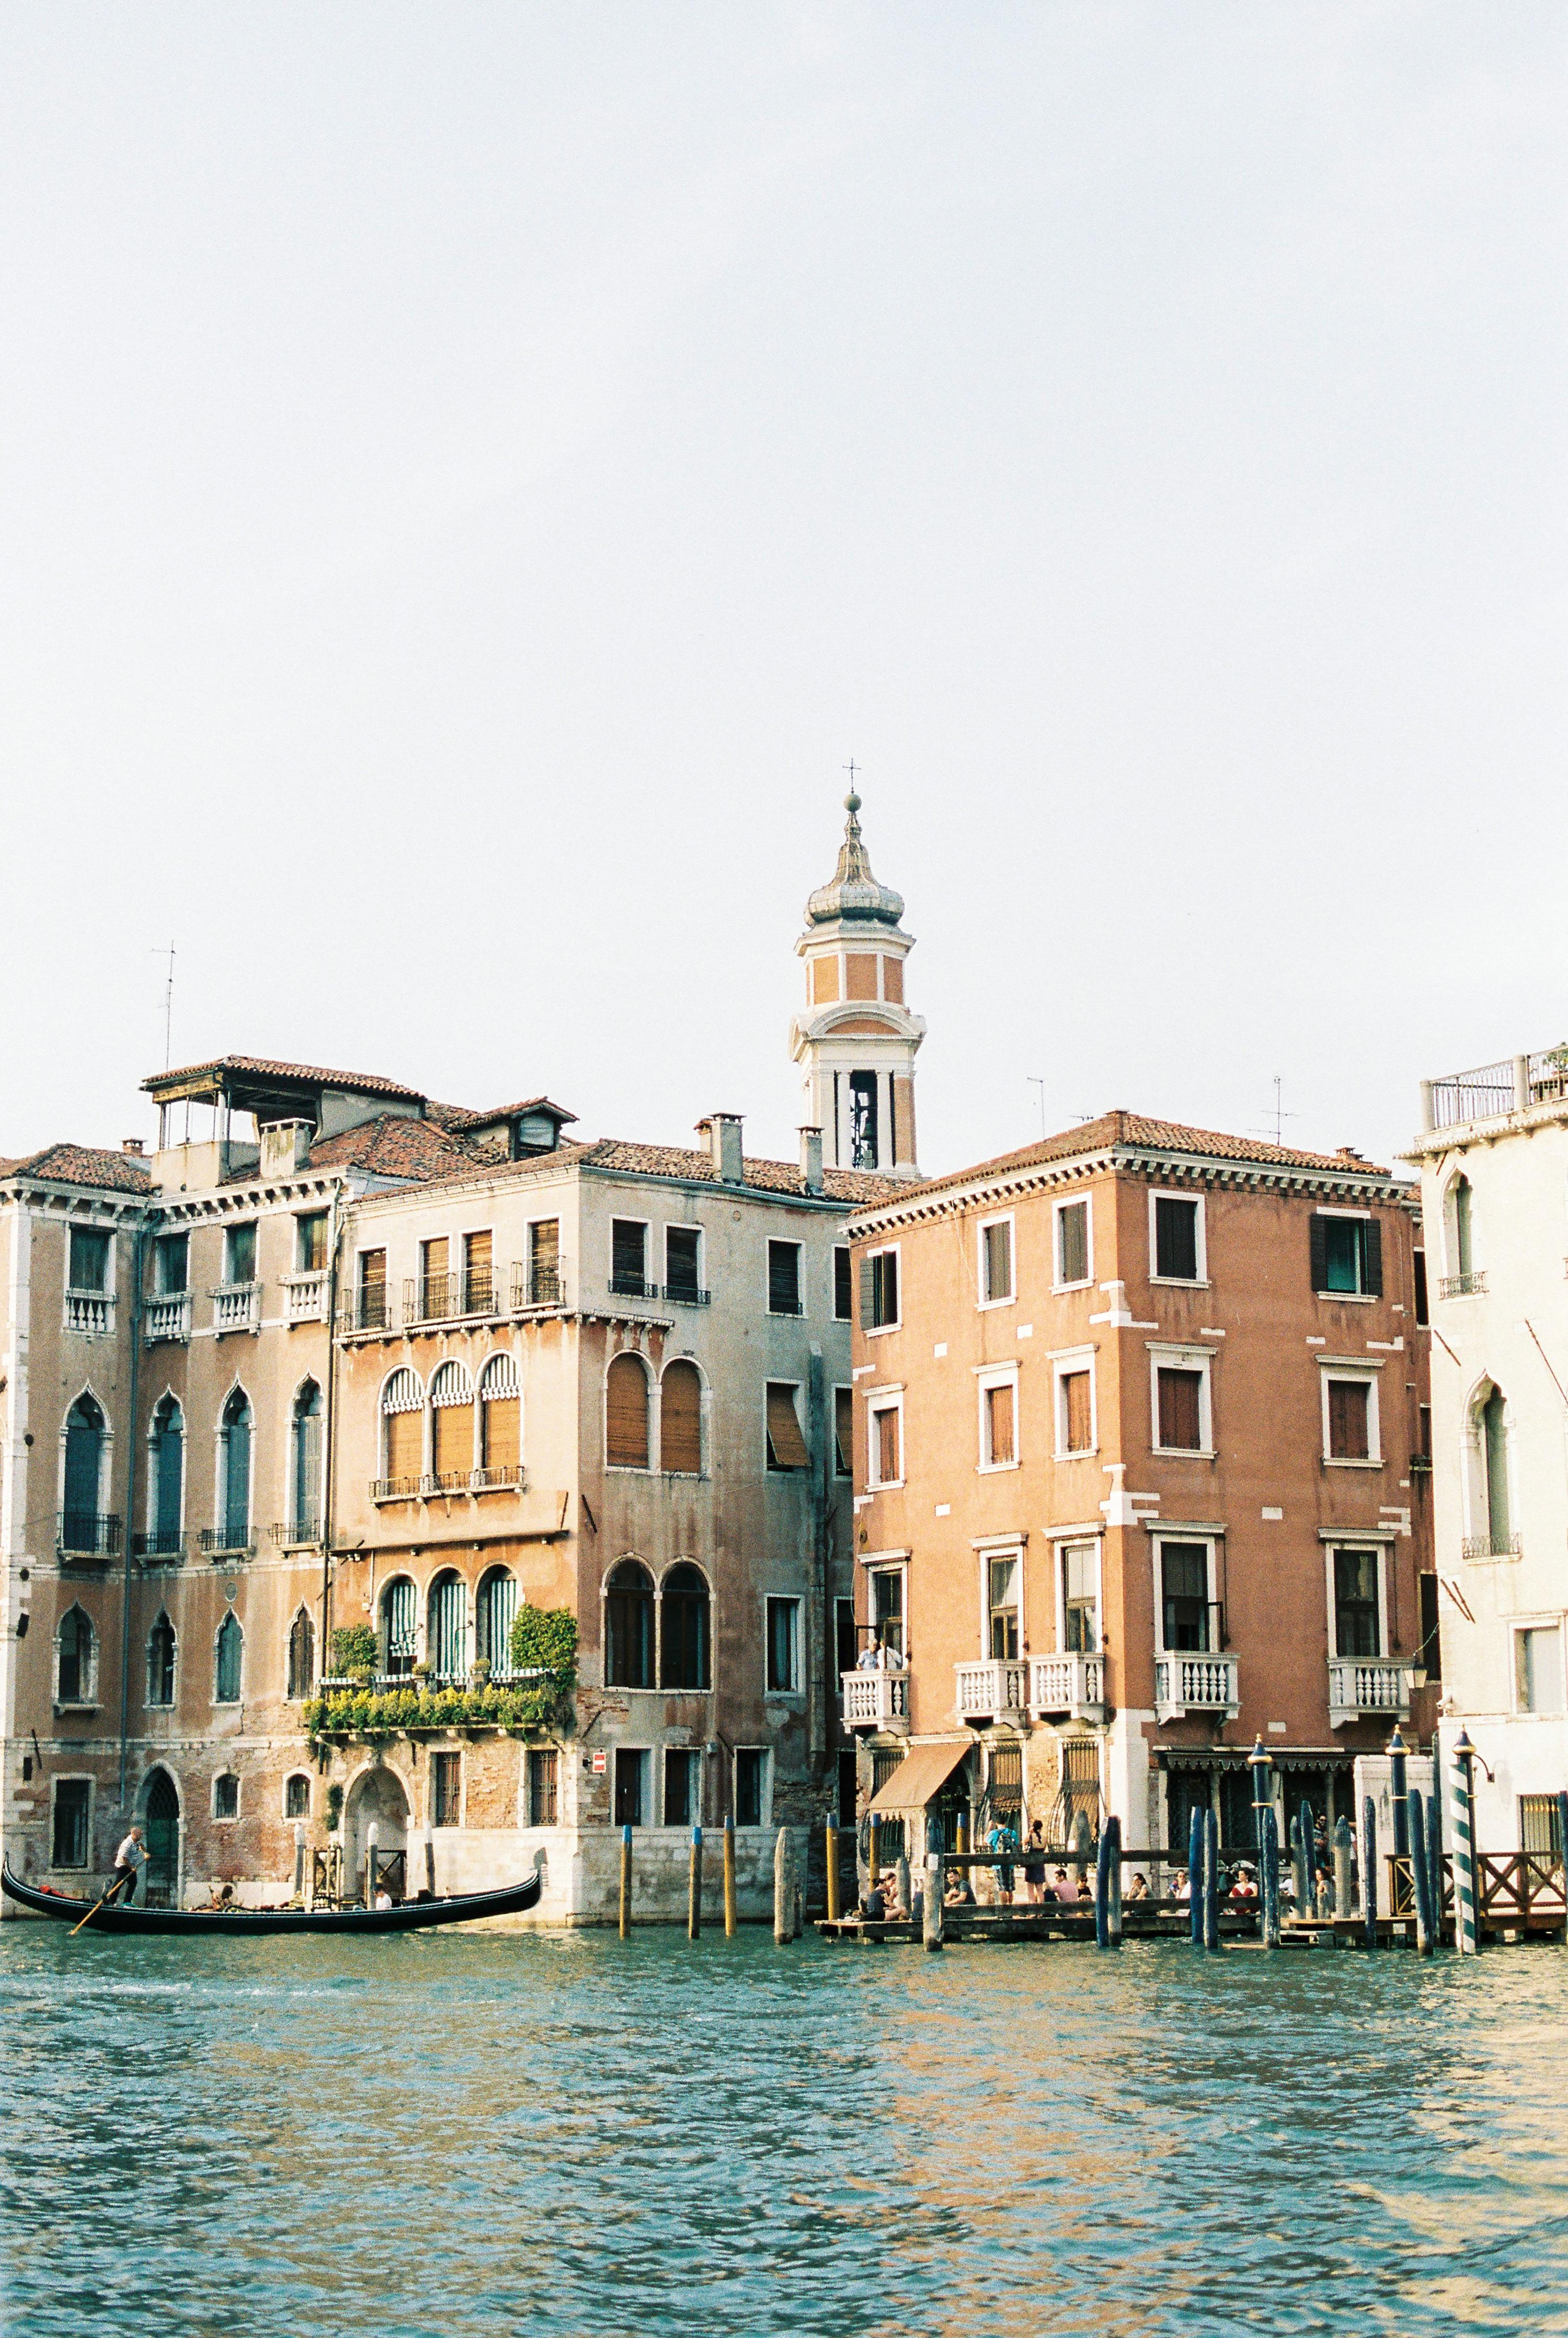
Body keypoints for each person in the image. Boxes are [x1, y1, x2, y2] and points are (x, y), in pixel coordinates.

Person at [109, 1825, 147, 1906]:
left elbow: (141, 1846)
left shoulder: (137, 1841)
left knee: (133, 1883)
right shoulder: (127, 1844)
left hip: (131, 1866)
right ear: (134, 1835)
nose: (141, 1837)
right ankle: (111, 1902)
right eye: (140, 1835)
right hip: (123, 1866)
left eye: (141, 1835)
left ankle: (127, 1903)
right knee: (118, 1885)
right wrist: (132, 1868)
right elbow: (124, 1859)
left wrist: (145, 1853)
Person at [1023, 1820, 1047, 1906]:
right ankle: (1041, 1910)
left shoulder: (1031, 1836)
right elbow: (1044, 1847)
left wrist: (1030, 1832)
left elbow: (1024, 1842)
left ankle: (1033, 1909)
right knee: (1040, 1889)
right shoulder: (1044, 1837)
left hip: (1032, 1863)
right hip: (1040, 1863)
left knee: (1030, 1888)